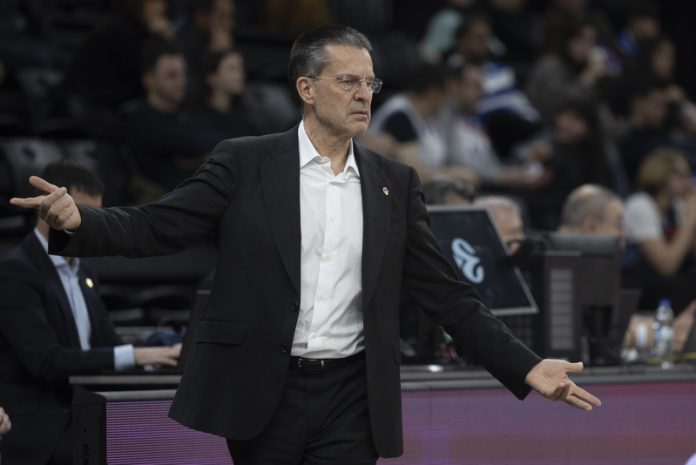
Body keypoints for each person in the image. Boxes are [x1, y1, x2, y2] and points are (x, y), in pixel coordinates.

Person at [11, 25, 601, 465]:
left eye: (370, 83)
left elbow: (448, 295)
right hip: (262, 389)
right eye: (348, 81)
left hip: (352, 395)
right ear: (306, 88)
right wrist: (80, 222)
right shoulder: (244, 162)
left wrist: (527, 366)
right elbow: (156, 226)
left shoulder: (395, 184)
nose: (364, 94)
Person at [0, 162, 181, 465]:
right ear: (48, 208)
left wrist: (158, 355)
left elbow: (107, 344)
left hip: (83, 414)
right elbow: (47, 361)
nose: (87, 226)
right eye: (82, 214)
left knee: (159, 440)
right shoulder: (16, 273)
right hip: (41, 427)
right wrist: (138, 355)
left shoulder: (84, 272)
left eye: (94, 217)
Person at [122, 39, 219, 192]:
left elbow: (215, 141)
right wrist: (198, 155)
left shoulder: (189, 113)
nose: (181, 82)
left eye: (183, 74)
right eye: (172, 75)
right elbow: (189, 143)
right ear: (149, 79)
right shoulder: (137, 118)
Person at [622, 149, 696, 311]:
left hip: (663, 282)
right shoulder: (640, 204)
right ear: (661, 175)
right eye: (681, 176)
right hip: (636, 283)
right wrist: (690, 221)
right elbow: (666, 266)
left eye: (689, 176)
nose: (689, 182)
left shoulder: (676, 207)